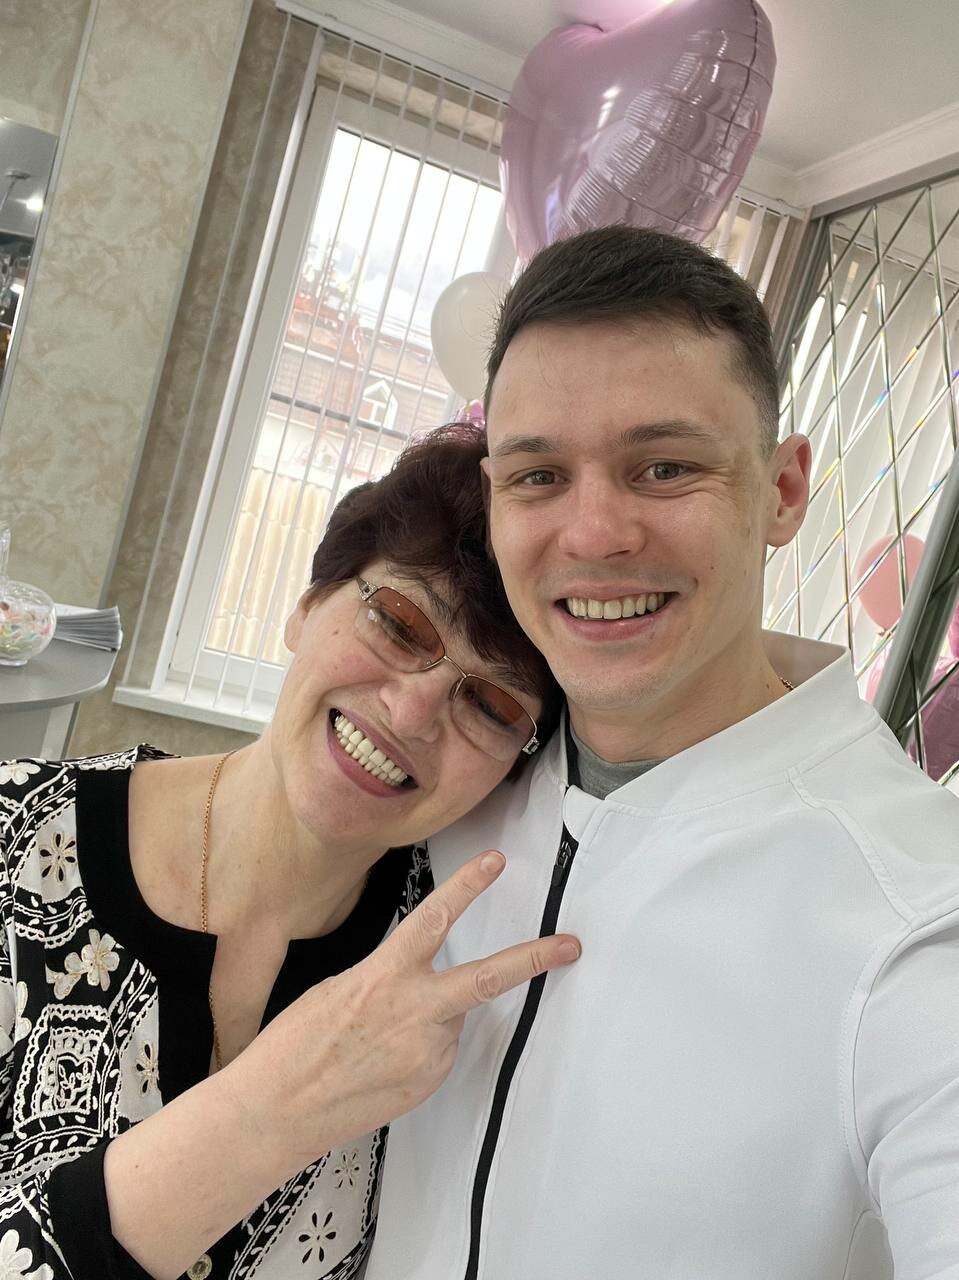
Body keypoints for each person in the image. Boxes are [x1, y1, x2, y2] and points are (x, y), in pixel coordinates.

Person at [363, 226, 959, 1280]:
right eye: (538, 475)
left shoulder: (915, 917)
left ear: (781, 491)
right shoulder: (454, 773)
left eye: (665, 467)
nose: (594, 533)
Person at [0, 429, 580, 1280]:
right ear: (307, 604)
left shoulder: (457, 969)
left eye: (491, 705)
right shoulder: (16, 835)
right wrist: (266, 1115)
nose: (412, 713)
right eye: (399, 623)